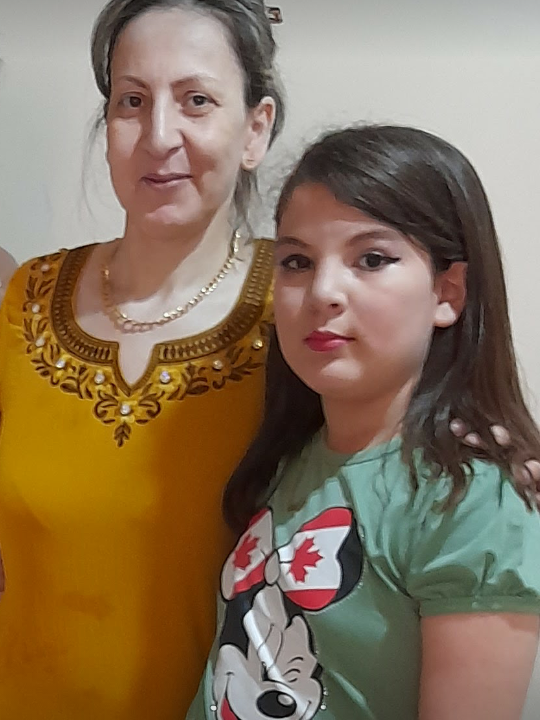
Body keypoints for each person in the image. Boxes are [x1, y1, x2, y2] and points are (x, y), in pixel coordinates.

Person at [187, 125, 540, 720]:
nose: (322, 291)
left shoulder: (472, 499)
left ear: (448, 292)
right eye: (297, 261)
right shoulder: (289, 456)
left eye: (372, 259)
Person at [0, 1, 283, 718]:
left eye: (196, 100)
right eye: (132, 101)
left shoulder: (300, 305)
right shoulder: (28, 295)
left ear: (255, 129)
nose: (159, 136)